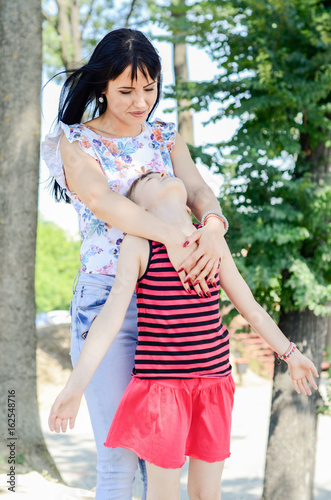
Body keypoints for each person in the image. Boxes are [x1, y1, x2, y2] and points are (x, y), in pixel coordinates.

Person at [48, 170, 319, 500]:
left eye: (162, 172)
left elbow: (252, 310)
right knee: (164, 494)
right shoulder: (140, 245)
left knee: (208, 493)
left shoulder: (212, 241)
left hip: (215, 385)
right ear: (141, 211)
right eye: (148, 179)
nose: (161, 172)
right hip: (164, 390)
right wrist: (75, 387)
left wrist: (290, 355)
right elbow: (109, 319)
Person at [41, 28, 230, 499]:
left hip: (170, 303)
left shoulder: (165, 135)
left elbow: (197, 187)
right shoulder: (76, 140)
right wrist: (176, 236)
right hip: (109, 297)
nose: (139, 101)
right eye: (126, 90)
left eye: (149, 88)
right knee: (118, 458)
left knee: (160, 458)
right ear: (102, 86)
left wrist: (212, 223)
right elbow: (103, 202)